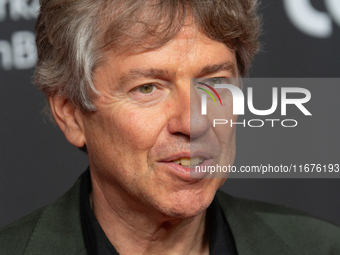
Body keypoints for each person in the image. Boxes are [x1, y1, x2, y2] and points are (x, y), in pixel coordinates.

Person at [1, 0, 339, 254]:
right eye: (148, 88)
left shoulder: (320, 247)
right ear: (71, 114)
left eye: (215, 83)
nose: (194, 123)